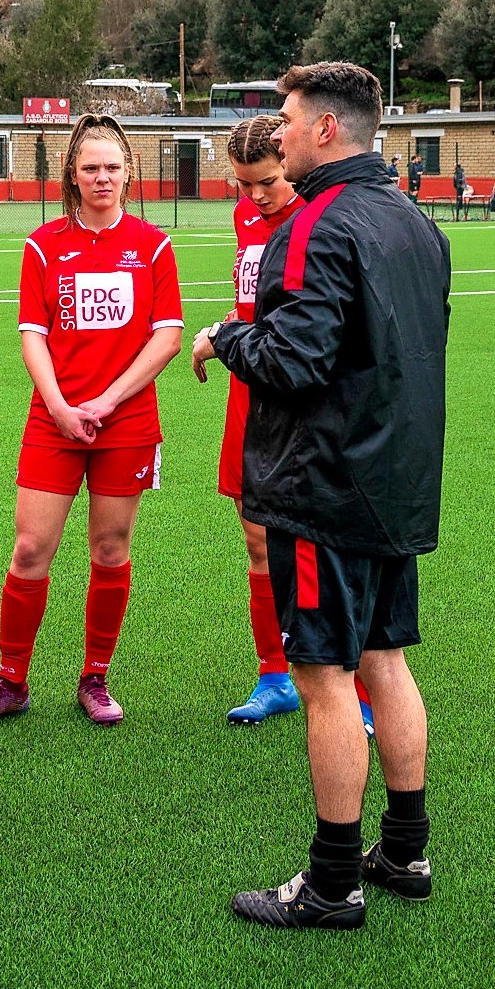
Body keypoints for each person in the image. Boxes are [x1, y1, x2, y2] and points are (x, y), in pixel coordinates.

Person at [193, 62, 450, 930]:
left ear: (328, 131)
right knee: (387, 662)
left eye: (289, 118)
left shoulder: (315, 222)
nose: (280, 131)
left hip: (325, 488)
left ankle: (333, 883)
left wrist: (230, 337)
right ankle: (407, 850)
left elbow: (293, 361)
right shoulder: (418, 222)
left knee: (328, 681)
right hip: (396, 483)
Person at [0, 113, 183, 729]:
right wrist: (58, 405)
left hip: (126, 421)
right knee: (30, 548)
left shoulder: (153, 244)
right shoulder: (42, 245)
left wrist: (107, 402)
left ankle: (95, 677)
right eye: (90, 168)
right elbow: (33, 334)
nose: (102, 177)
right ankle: (10, 683)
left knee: (110, 548)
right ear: (72, 176)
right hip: (53, 418)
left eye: (112, 167)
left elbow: (167, 338)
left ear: (128, 173)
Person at [191, 115, 304, 724]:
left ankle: (360, 690)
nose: (257, 196)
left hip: (303, 398)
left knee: (326, 547)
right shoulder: (245, 218)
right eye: (243, 185)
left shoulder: (319, 214)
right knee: (256, 538)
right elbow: (250, 305)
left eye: (267, 181)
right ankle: (275, 675)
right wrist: (220, 334)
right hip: (248, 392)